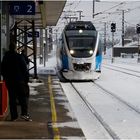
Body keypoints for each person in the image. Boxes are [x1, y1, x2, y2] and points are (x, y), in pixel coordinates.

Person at [1, 42, 32, 121]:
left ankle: (14, 116)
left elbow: (2, 69)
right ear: (15, 48)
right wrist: (26, 80)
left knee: (12, 99)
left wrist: (6, 77)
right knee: (23, 97)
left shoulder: (5, 57)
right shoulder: (19, 57)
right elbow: (24, 69)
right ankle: (24, 114)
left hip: (10, 82)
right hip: (20, 81)